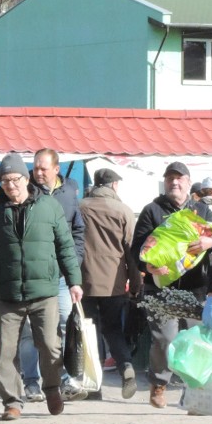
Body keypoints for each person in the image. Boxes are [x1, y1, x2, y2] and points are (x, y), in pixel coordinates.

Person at [0, 152, 83, 421]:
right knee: (6, 352)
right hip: (8, 294)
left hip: (45, 292)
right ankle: (12, 401)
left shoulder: (50, 207)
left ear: (26, 179)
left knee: (50, 345)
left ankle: (51, 389)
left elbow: (65, 247)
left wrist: (74, 281)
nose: (10, 185)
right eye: (4, 181)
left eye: (14, 179)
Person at [130, 161, 212, 409]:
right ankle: (158, 383)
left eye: (180, 178)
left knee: (198, 342)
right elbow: (136, 248)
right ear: (165, 182)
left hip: (196, 287)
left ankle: (194, 392)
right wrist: (147, 266)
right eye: (170, 178)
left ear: (189, 183)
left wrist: (208, 243)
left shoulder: (201, 211)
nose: (175, 183)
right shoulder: (152, 210)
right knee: (164, 340)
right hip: (161, 288)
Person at [22, 148, 87, 402]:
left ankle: (63, 379)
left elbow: (78, 231)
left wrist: (75, 266)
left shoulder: (69, 193)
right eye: (35, 167)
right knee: (29, 331)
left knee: (61, 325)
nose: (38, 172)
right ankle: (31, 382)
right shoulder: (25, 191)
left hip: (60, 276)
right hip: (33, 275)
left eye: (43, 168)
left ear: (56, 169)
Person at [79, 168, 142, 400]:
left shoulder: (80, 207)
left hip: (84, 280)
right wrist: (136, 285)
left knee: (89, 332)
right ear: (114, 185)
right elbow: (132, 253)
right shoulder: (124, 211)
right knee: (113, 329)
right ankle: (126, 366)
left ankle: (94, 387)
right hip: (114, 282)